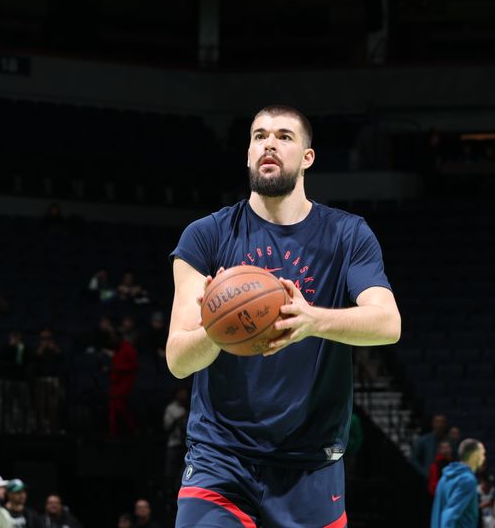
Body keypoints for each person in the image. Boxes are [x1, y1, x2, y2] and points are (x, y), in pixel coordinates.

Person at [166, 105, 401, 527]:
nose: (269, 144)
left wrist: (311, 320)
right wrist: (217, 330)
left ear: (307, 157)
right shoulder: (205, 235)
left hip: (311, 462)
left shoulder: (348, 234)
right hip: (222, 457)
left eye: (284, 136)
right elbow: (179, 360)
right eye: (259, 136)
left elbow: (388, 324)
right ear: (248, 153)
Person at [430, 439, 486, 528]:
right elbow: (448, 516)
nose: (484, 458)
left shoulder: (444, 478)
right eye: (482, 454)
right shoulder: (468, 480)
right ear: (475, 455)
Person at [0, 332, 32, 432]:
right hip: (8, 380)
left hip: (22, 380)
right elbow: (0, 362)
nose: (15, 339)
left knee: (24, 406)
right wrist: (10, 348)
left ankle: (23, 428)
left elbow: (25, 362)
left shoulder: (24, 348)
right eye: (13, 337)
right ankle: (7, 428)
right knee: (7, 406)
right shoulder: (5, 348)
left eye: (17, 337)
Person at [31, 326, 63, 434]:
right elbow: (34, 360)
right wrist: (41, 348)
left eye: (48, 337)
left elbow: (61, 358)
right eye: (44, 337)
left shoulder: (55, 346)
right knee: (40, 406)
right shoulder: (37, 346)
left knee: (53, 406)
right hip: (40, 379)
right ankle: (40, 428)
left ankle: (53, 428)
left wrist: (55, 349)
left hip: (53, 379)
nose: (46, 339)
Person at [108, 339, 139, 438]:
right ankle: (114, 434)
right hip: (115, 384)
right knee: (114, 408)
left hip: (125, 383)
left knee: (121, 407)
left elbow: (134, 365)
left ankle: (130, 431)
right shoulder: (115, 350)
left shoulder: (127, 348)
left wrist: (118, 367)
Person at [163, 387, 189, 486]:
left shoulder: (186, 407)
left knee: (183, 472)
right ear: (176, 394)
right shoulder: (171, 408)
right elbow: (167, 426)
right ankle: (167, 492)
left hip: (185, 445)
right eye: (182, 393)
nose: (184, 395)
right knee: (170, 472)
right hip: (173, 444)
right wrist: (181, 417)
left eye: (185, 393)